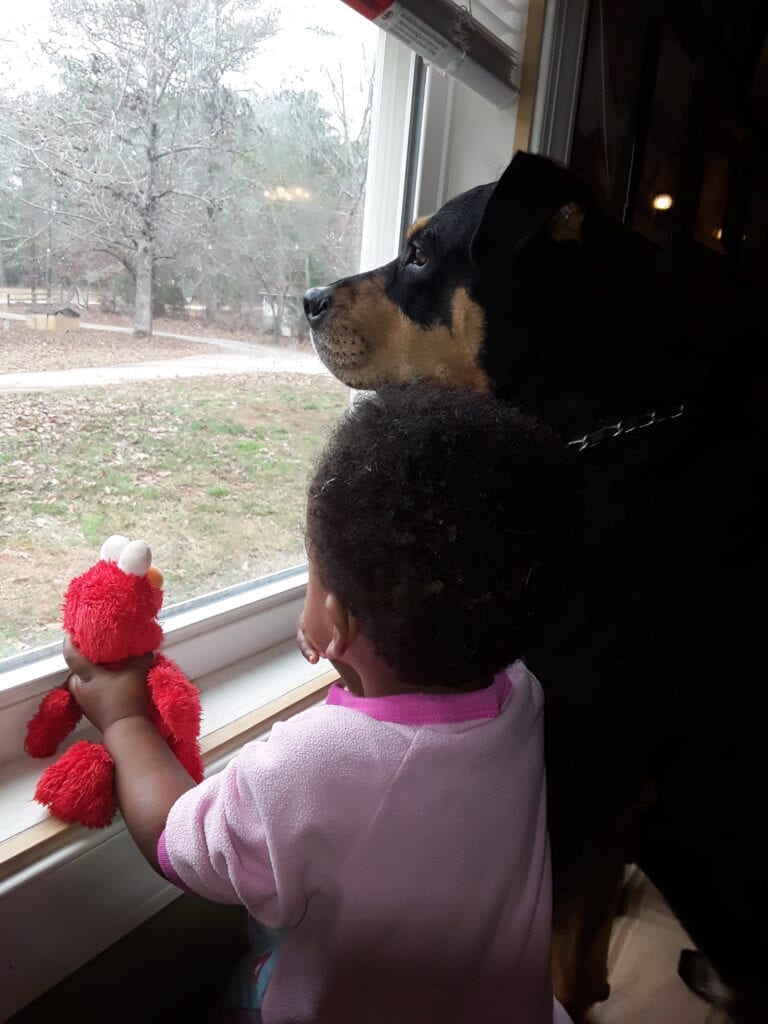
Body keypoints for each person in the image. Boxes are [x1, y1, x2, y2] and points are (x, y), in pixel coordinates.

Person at [64, 383, 577, 1024]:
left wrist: (124, 718)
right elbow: (417, 719)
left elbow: (177, 840)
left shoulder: (316, 764)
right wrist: (350, 646)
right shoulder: (521, 694)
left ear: (338, 620)